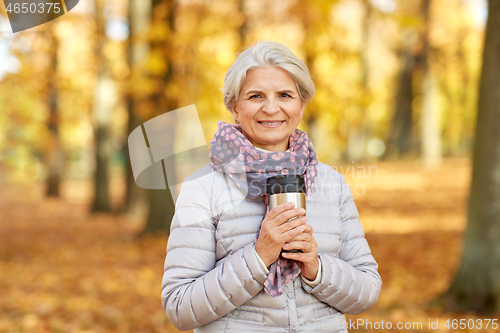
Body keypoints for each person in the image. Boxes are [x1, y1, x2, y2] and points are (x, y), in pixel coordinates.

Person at [161, 41, 381, 332]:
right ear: (234, 106)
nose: (271, 107)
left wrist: (317, 267)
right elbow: (180, 307)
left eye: (285, 95)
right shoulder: (201, 188)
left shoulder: (331, 183)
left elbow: (368, 291)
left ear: (301, 104)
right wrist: (258, 256)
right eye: (255, 96)